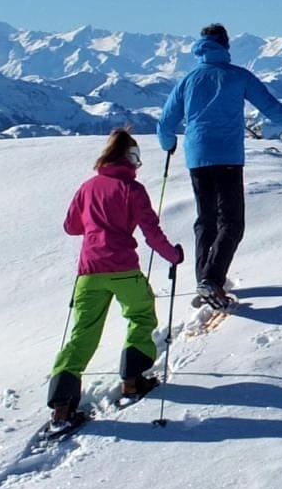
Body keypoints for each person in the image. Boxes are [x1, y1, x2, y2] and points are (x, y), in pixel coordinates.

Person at [157, 23, 282, 310]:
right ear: (225, 45)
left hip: (197, 159)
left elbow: (165, 123)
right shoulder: (238, 77)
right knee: (232, 222)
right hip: (228, 158)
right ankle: (212, 279)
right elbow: (272, 109)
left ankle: (205, 280)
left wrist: (168, 144)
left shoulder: (189, 80)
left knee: (206, 221)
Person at [47, 127, 184, 429]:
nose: (137, 163)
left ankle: (61, 404)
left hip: (89, 272)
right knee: (141, 314)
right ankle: (132, 381)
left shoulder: (87, 187)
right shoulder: (133, 190)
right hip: (123, 268)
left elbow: (71, 226)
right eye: (136, 156)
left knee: (82, 334)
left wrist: (96, 222)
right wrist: (173, 256)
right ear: (127, 157)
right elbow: (151, 233)